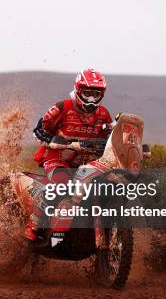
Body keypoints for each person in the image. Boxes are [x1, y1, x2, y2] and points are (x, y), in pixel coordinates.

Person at [27, 68, 114, 240]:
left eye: (95, 95)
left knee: (110, 185)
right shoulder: (62, 108)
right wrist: (53, 140)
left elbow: (110, 137)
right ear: (78, 90)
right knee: (62, 183)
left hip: (87, 164)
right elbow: (39, 129)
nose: (91, 99)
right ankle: (33, 226)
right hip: (57, 159)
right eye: (87, 93)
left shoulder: (103, 113)